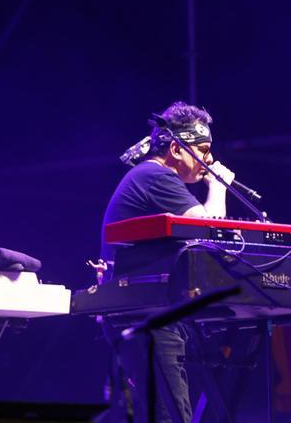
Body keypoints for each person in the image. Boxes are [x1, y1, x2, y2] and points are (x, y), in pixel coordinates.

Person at [100, 101, 235, 423]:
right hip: (145, 315)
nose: (209, 160)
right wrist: (218, 187)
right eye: (202, 150)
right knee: (173, 417)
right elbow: (209, 231)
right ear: (176, 149)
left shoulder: (153, 176)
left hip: (149, 312)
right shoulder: (155, 176)